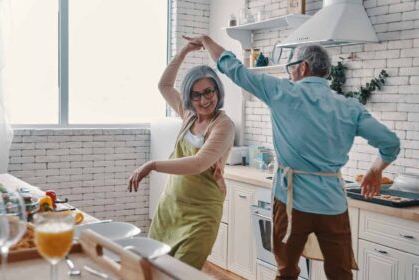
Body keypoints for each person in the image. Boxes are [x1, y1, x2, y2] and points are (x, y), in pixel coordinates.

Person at [183, 35, 400, 280]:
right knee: (340, 274)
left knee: (286, 272)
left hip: (290, 203)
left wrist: (207, 41)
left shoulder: (281, 92)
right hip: (333, 205)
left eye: (290, 68)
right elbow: (390, 144)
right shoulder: (349, 107)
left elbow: (234, 68)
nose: (289, 74)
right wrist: (376, 169)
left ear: (303, 67)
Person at [127, 41, 235, 270]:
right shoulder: (189, 115)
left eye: (209, 92)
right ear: (188, 98)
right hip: (170, 207)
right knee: (153, 268)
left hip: (201, 214)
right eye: (196, 95)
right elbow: (164, 85)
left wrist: (153, 165)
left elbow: (199, 163)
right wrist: (184, 51)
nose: (204, 100)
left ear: (217, 91)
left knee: (179, 273)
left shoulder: (223, 126)